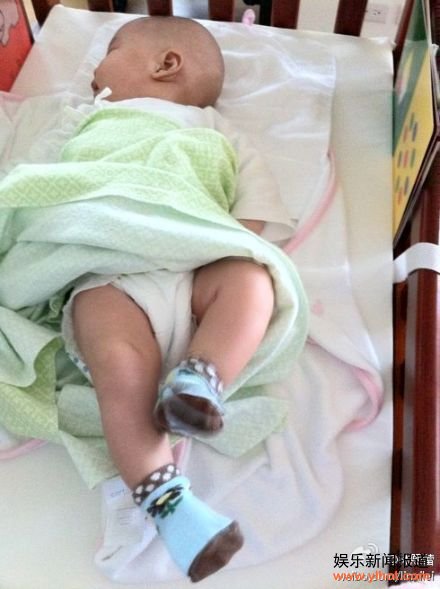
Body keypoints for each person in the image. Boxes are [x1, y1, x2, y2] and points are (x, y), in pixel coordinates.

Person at [61, 15, 297, 582]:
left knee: (252, 278)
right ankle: (171, 505)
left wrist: (212, 246)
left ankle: (199, 378)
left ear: (165, 65)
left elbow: (253, 206)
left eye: (111, 50)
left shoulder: (216, 131)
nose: (95, 71)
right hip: (110, 268)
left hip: (194, 266)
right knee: (118, 367)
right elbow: (58, 185)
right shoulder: (88, 121)